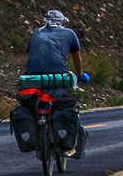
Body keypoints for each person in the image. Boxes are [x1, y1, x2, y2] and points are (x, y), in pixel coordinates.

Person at [25, 10, 90, 158]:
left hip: (33, 77)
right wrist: (80, 75)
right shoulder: (69, 33)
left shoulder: (36, 32)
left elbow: (31, 54)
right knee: (62, 103)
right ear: (63, 23)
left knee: (33, 104)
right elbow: (77, 58)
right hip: (58, 76)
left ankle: (38, 138)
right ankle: (65, 143)